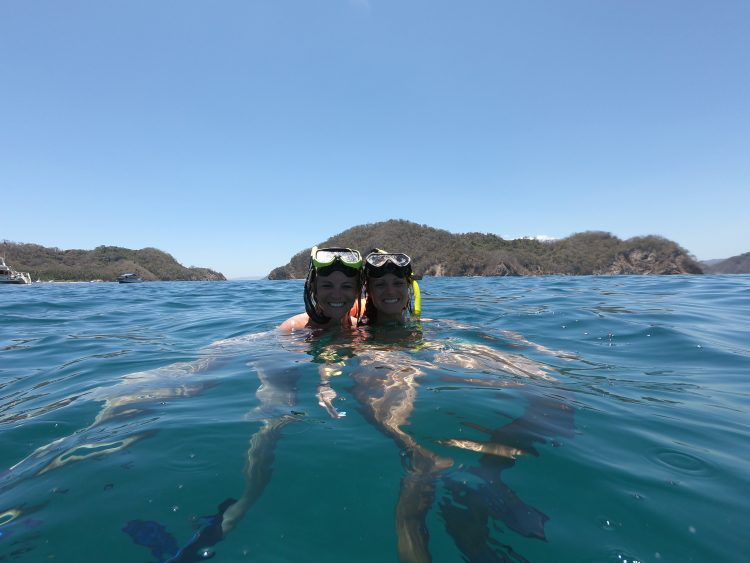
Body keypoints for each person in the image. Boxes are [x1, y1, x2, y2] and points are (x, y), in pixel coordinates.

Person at [280, 246, 364, 332]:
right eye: (327, 286)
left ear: (357, 290)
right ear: (313, 288)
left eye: (346, 286)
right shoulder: (292, 329)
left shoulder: (360, 328)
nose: (336, 295)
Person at [360, 249, 421, 325]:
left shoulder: (431, 328)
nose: (390, 292)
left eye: (398, 283)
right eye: (380, 285)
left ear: (408, 287)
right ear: (369, 290)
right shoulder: (358, 333)